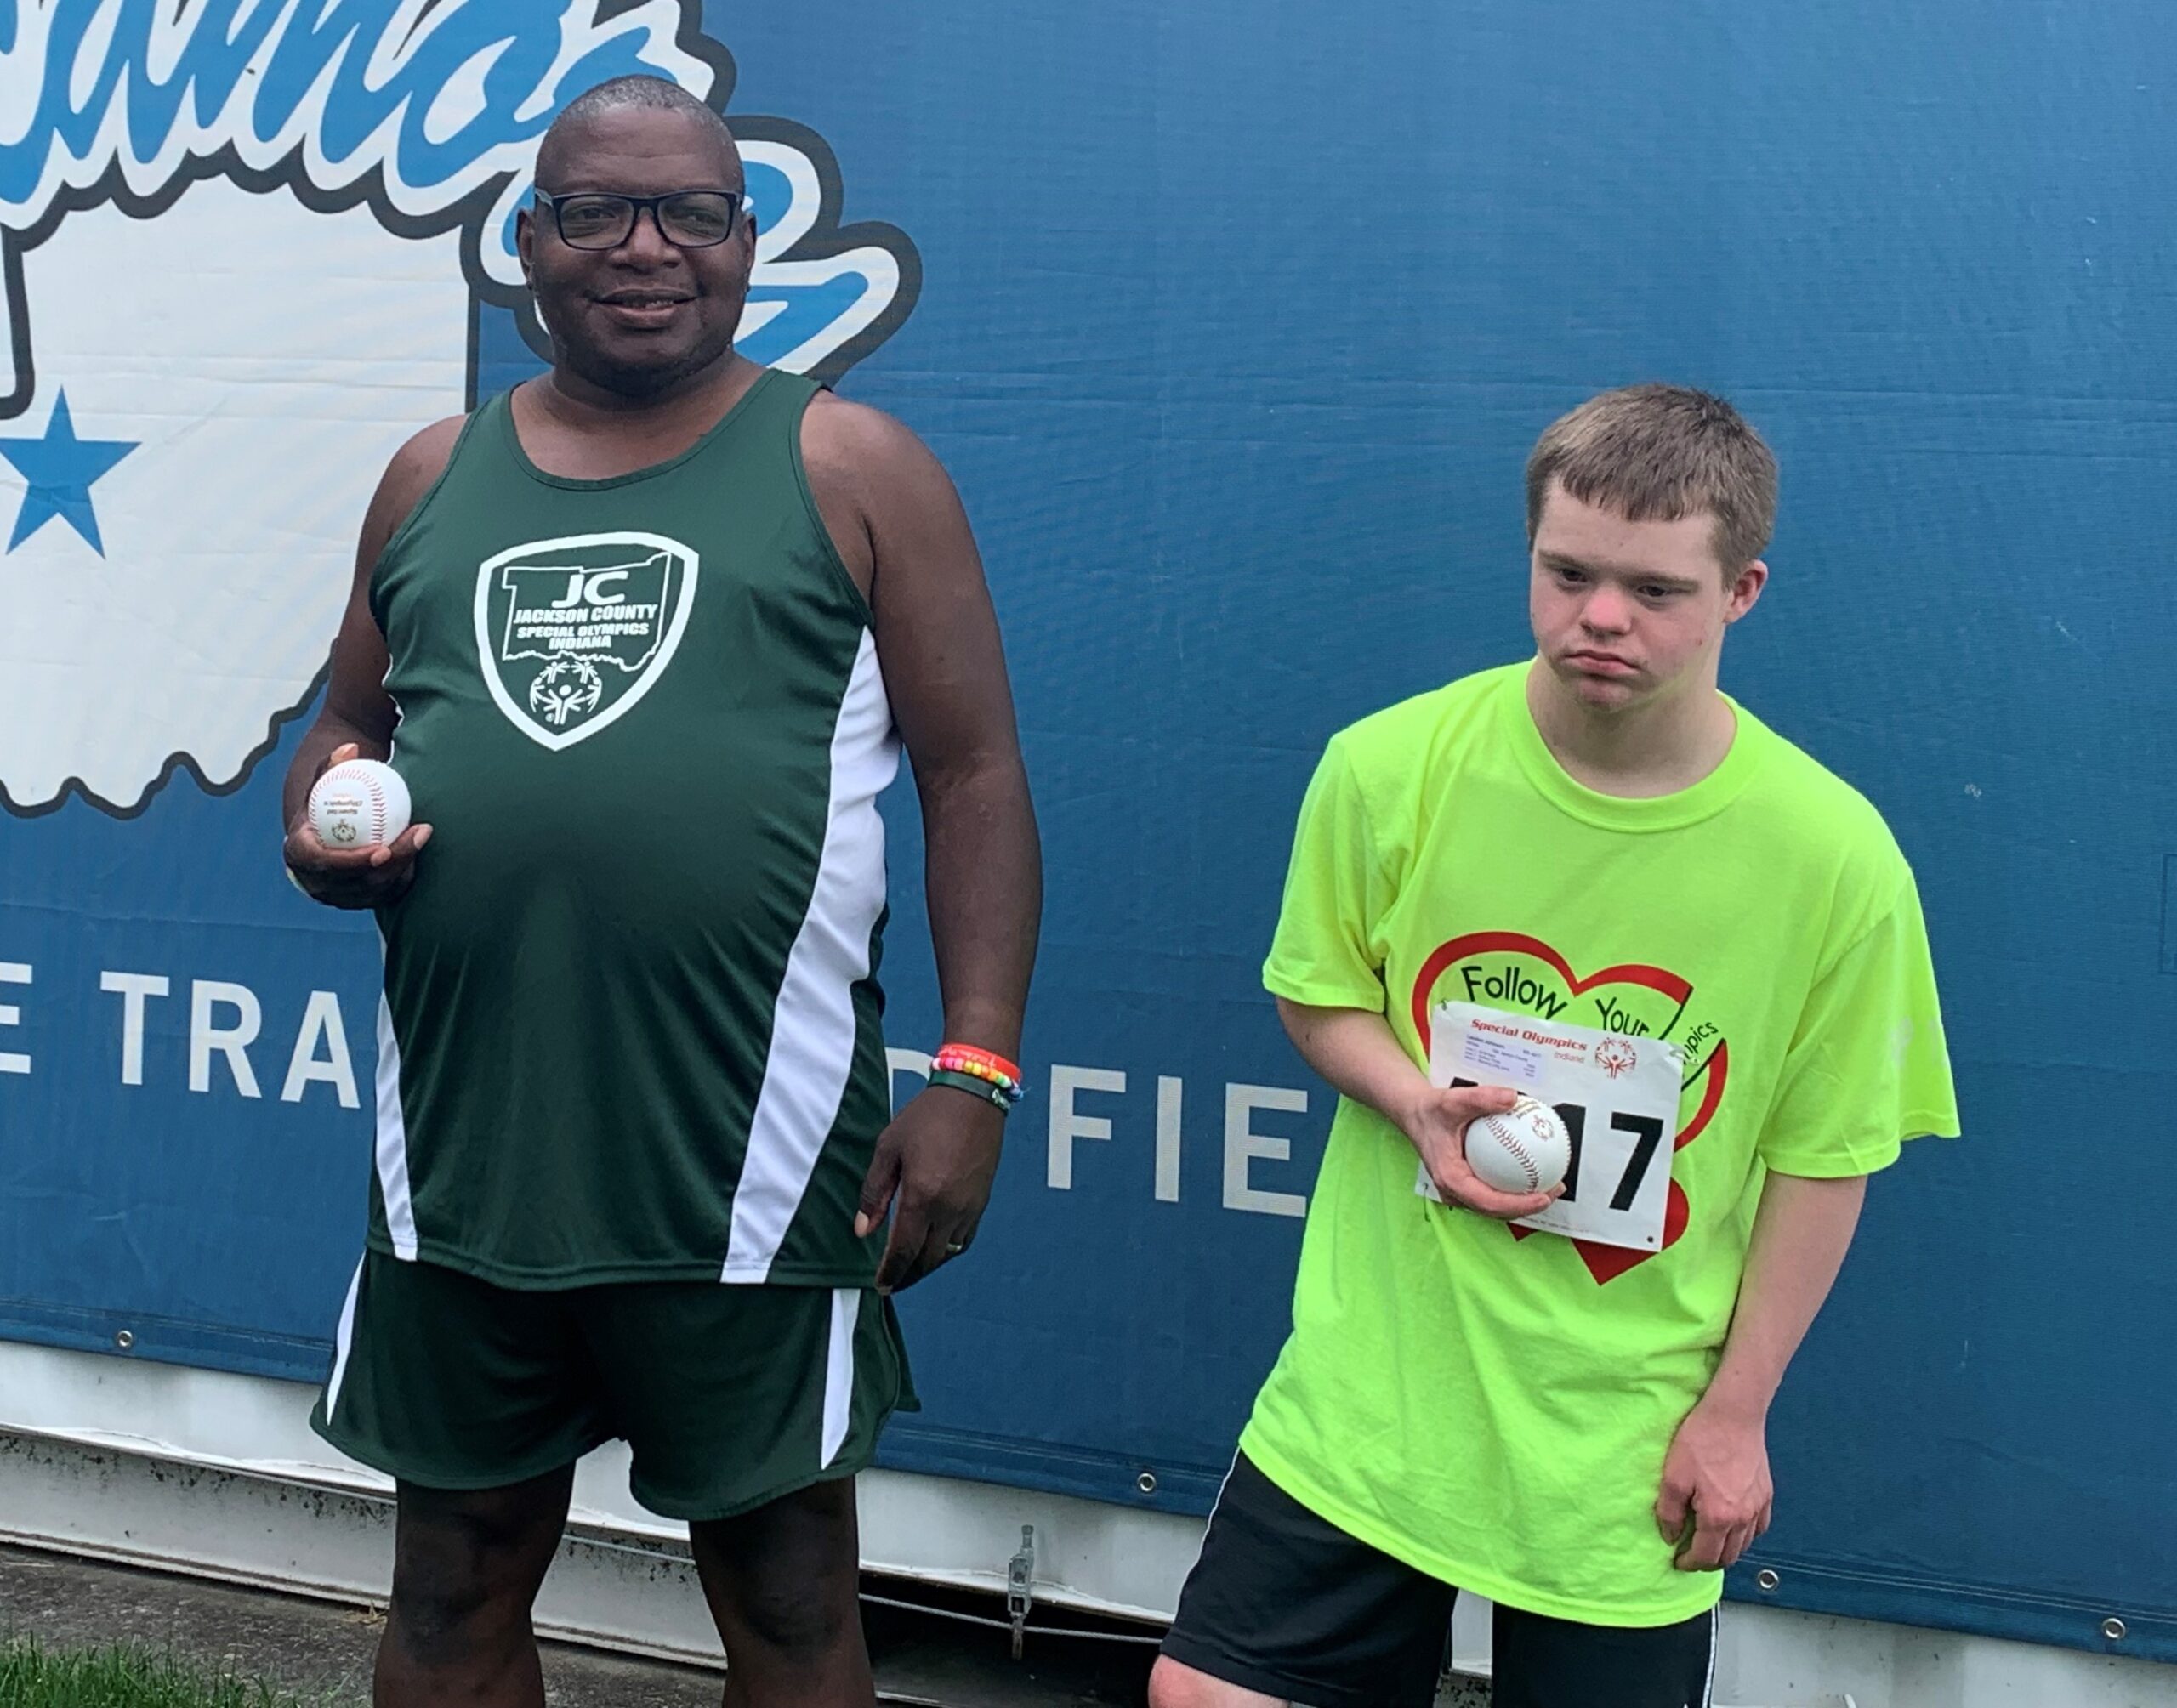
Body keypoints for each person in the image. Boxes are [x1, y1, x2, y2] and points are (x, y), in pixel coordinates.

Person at [280, 76, 1040, 1708]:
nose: (646, 247)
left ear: (745, 241)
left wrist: (974, 1072)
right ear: (529, 242)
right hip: (469, 1153)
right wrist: (320, 822)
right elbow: (346, 722)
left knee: (784, 1593)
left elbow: (977, 779)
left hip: (752, 1166)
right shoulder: (432, 472)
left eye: (691, 212)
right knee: (452, 1579)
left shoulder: (857, 466)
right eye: (598, 211)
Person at [1150, 385, 1957, 1708]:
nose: (1600, 617)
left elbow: (1827, 1157)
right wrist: (1413, 1098)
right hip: (1383, 1385)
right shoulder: (1387, 766)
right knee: (1206, 1696)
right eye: (1568, 572)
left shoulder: (1836, 858)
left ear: (1742, 590)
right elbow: (1318, 992)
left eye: (1655, 589)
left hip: (1621, 1430)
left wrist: (1736, 1413)